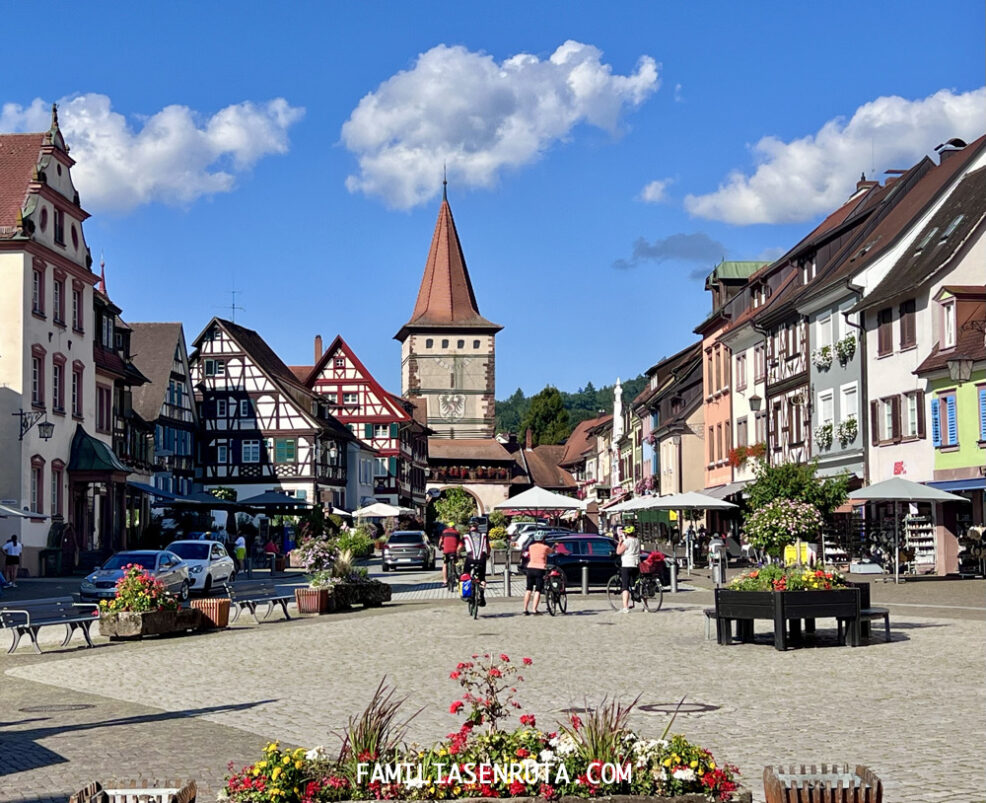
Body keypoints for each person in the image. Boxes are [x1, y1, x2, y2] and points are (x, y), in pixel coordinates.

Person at [523, 531, 553, 616]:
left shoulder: (531, 547)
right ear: (543, 539)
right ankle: (534, 610)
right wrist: (555, 546)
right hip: (540, 569)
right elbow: (551, 552)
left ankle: (525, 609)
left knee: (528, 589)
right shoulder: (545, 547)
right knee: (538, 590)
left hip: (530, 568)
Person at [462, 523, 490, 606]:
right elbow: (488, 547)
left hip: (470, 558)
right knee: (482, 577)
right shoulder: (484, 535)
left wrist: (458, 554)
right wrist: (487, 555)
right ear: (477, 527)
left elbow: (460, 547)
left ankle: (468, 594)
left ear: (469, 527)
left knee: (465, 575)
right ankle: (481, 595)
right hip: (482, 559)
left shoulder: (466, 536)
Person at [616, 525, 641, 613]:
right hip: (636, 564)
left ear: (626, 533)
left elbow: (618, 551)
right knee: (638, 585)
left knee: (625, 586)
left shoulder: (627, 542)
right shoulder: (637, 541)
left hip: (627, 564)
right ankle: (646, 606)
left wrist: (620, 542)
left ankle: (625, 607)